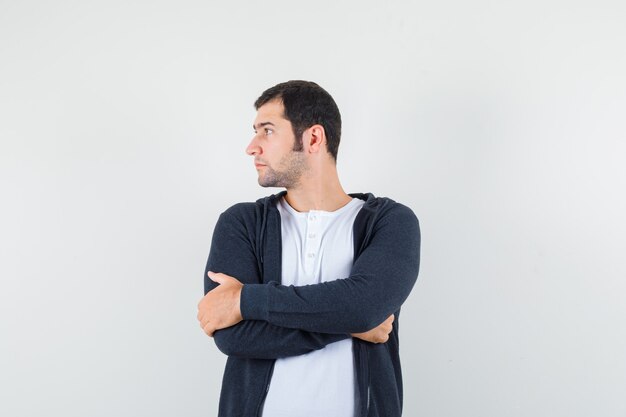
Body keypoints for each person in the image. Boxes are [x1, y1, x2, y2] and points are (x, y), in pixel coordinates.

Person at [197, 80, 420, 417]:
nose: (252, 147)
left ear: (313, 138)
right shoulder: (241, 223)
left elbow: (364, 306)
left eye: (267, 131)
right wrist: (351, 325)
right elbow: (233, 337)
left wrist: (246, 300)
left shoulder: (390, 222)